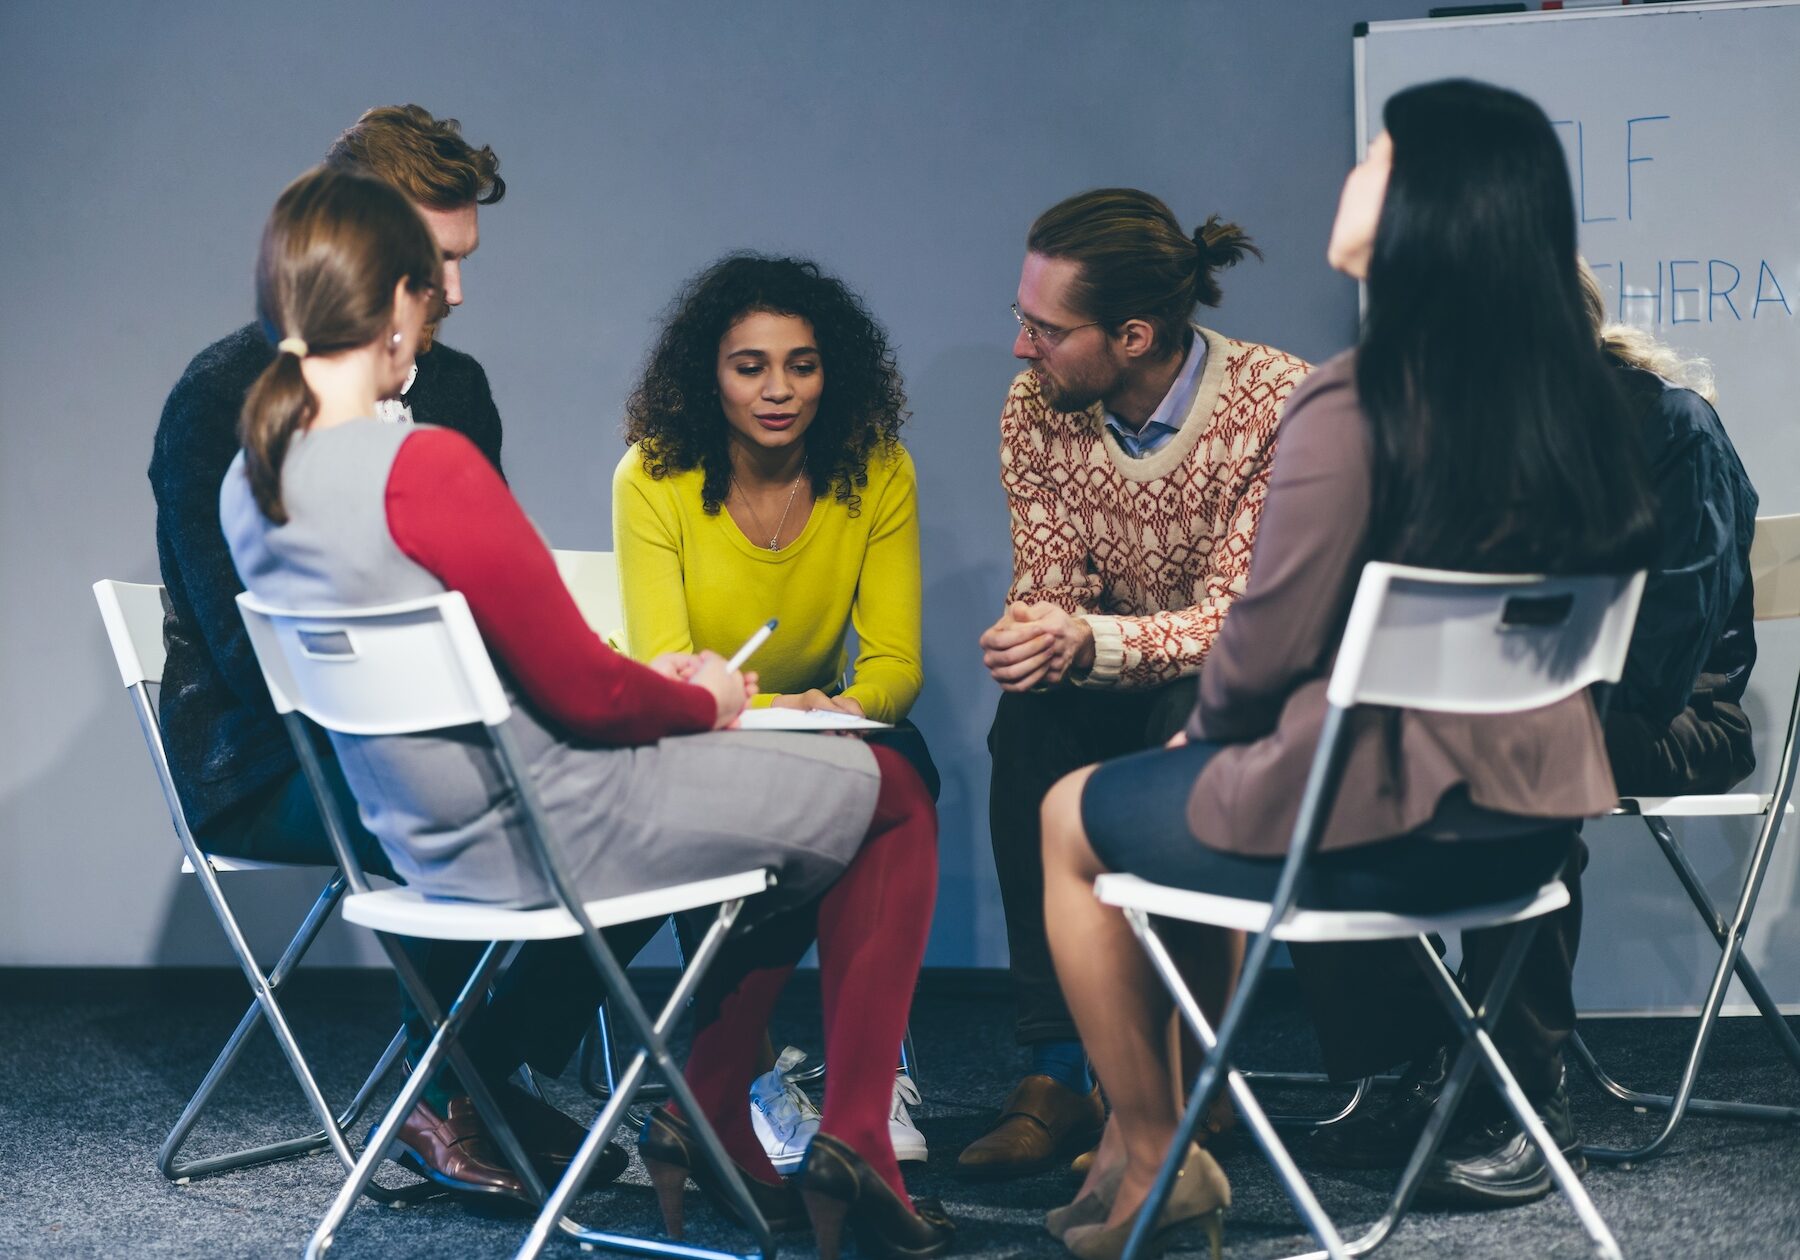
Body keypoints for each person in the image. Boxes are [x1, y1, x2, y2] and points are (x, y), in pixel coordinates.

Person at [220, 166, 952, 1257]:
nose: (455, 296)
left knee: (823, 813)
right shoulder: (426, 466)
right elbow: (589, 690)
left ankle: (707, 1107)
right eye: (440, 277)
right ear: (396, 303)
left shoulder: (253, 481)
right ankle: (852, 1141)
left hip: (420, 852)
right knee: (890, 793)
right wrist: (704, 696)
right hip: (553, 830)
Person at [1037, 78, 1659, 1258]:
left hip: (1374, 826)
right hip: (1527, 838)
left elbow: (1260, 645)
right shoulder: (1580, 399)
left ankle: (1159, 1146)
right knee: (1169, 815)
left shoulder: (1357, 396)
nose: (1350, 173)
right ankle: (1139, 1150)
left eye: (1375, 156)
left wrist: (1200, 737)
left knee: (1077, 816)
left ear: (1434, 203)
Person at [148, 105, 613, 1200]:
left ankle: (465, 1076)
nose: (454, 292)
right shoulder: (222, 399)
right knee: (449, 797)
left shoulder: (457, 393)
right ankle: (460, 1096)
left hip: (427, 730)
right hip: (265, 759)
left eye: (463, 261)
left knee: (628, 801)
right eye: (437, 260)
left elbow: (474, 604)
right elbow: (243, 644)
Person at [1298, 261, 1760, 1202]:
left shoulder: (1669, 426)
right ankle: (1416, 1067)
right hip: (1497, 707)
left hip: (1671, 713)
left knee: (1507, 741)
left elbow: (1661, 657)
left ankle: (1523, 1104)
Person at [963, 189, 1310, 1179]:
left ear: (1135, 334)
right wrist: (1033, 635)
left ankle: (1172, 1087)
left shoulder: (1276, 402)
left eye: (1046, 328)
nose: (1023, 347)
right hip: (1104, 660)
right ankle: (1056, 1069)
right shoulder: (1037, 408)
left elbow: (1243, 620)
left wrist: (1086, 639)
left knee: (1190, 717)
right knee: (1025, 721)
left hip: (1235, 685)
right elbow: (1050, 579)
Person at [614, 253, 933, 1170]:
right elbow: (662, 667)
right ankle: (805, 1101)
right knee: (855, 805)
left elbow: (897, 666)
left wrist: (833, 705)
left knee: (898, 769)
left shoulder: (876, 467)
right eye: (748, 365)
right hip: (697, 733)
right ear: (707, 377)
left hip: (825, 723)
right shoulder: (653, 475)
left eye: (802, 363)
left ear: (834, 373)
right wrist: (752, 712)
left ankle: (775, 1094)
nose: (779, 389)